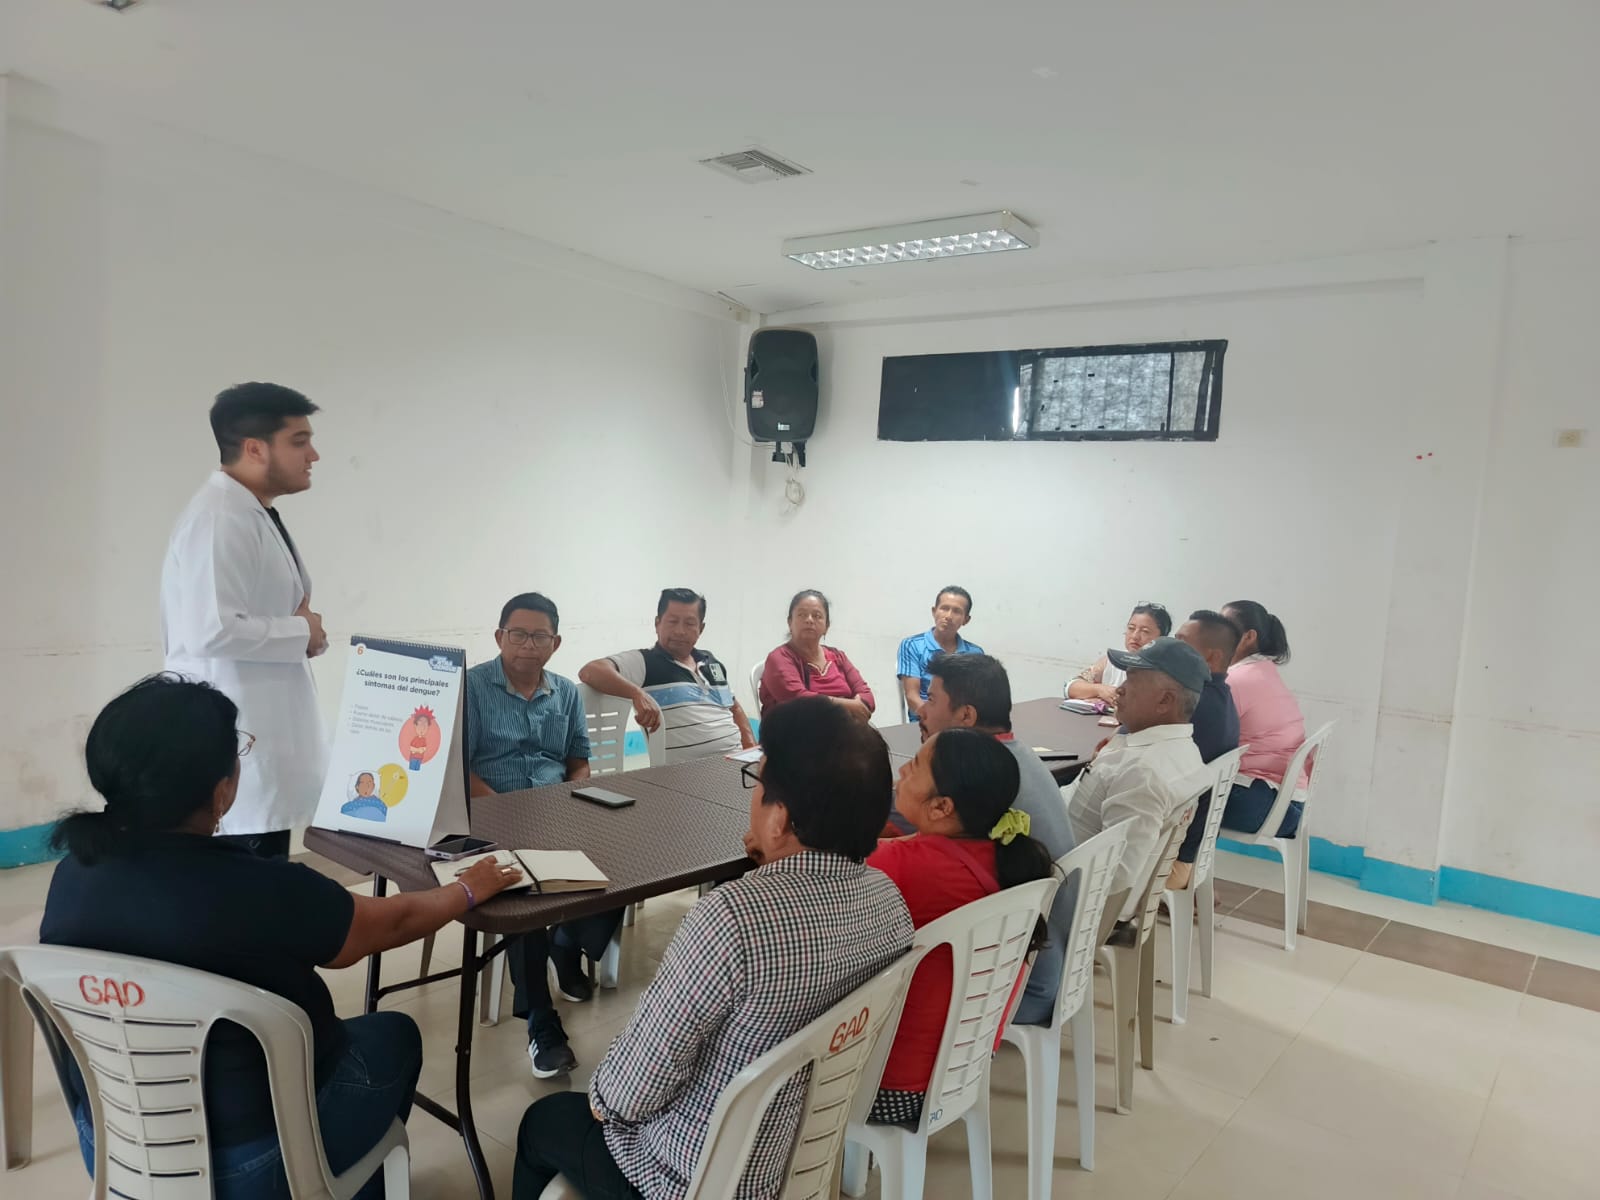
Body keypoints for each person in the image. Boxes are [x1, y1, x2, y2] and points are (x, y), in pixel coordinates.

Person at [40, 674, 524, 1199]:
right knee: (394, 1034)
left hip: (113, 1141)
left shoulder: (72, 876)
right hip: (256, 1161)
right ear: (221, 789)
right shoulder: (260, 888)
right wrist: (466, 891)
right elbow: (390, 923)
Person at [511, 697, 912, 1200]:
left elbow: (629, 1094)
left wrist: (603, 1101)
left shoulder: (732, 918)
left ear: (779, 818)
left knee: (542, 1122)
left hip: (689, 1178)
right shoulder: (890, 903)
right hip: (798, 1162)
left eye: (756, 782)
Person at [159, 382, 330, 859]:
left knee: (260, 871)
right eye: (299, 441)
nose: (313, 455)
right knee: (244, 879)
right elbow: (211, 629)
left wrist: (306, 633)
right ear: (255, 448)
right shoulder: (220, 518)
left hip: (259, 738)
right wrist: (303, 630)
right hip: (238, 743)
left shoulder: (250, 511)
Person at [465, 591, 621, 1078]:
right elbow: (459, 769)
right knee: (524, 892)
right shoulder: (472, 688)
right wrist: (504, 811)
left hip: (555, 812)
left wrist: (576, 798)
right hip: (492, 816)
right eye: (518, 634)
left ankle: (567, 942)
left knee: (625, 855)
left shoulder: (566, 692)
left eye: (539, 636)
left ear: (555, 643)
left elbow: (578, 761)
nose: (527, 645)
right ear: (499, 637)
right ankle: (540, 1021)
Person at [865, 729, 1055, 1126]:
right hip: (962, 1069)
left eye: (915, 765)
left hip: (887, 1087)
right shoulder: (1004, 858)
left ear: (941, 807)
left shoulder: (901, 865)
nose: (902, 770)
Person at [914, 653, 1077, 1026]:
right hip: (1052, 965)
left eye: (932, 699)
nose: (921, 710)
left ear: (966, 716)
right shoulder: (1021, 756)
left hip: (1022, 986)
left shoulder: (977, 785)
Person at [1065, 638, 1212, 921]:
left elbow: (1116, 878)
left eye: (1132, 680)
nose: (1119, 689)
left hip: (1066, 899)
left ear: (1165, 701)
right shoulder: (1183, 751)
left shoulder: (1143, 771)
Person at [579, 588, 755, 763]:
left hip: (736, 764)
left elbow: (734, 707)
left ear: (701, 628)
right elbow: (591, 671)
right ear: (657, 624)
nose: (680, 631)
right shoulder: (645, 661)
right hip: (686, 772)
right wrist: (636, 694)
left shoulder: (711, 662)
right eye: (672, 621)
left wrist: (751, 753)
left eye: (689, 623)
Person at [1165, 611, 1243, 891]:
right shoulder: (1218, 696)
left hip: (1168, 861)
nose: (1172, 647)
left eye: (1182, 642)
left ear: (1212, 657)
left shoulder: (1191, 706)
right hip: (1189, 853)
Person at [1219, 600, 1310, 839]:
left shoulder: (1237, 679)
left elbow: (1206, 740)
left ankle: (1180, 862)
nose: (1216, 633)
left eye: (1224, 626)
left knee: (1173, 796)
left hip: (1264, 805)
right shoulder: (1263, 670)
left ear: (1249, 636)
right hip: (1286, 803)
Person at [757, 589, 875, 720]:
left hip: (843, 728)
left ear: (826, 626)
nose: (809, 620)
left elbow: (867, 696)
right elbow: (799, 702)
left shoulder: (838, 657)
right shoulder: (779, 658)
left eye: (817, 616)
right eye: (802, 615)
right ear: (790, 622)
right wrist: (850, 707)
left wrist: (860, 705)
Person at [896, 585, 983, 721]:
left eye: (956, 611)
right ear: (934, 611)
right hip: (924, 721)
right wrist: (938, 721)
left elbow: (978, 698)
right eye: (944, 608)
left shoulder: (975, 654)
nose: (948, 616)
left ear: (966, 620)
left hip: (962, 724)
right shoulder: (912, 645)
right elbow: (912, 697)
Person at [1066, 602, 1171, 705]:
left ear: (1162, 638)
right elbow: (1071, 687)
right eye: (1131, 628)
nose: (1135, 636)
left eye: (1145, 631)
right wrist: (1099, 690)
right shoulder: (1112, 661)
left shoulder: (1167, 672)